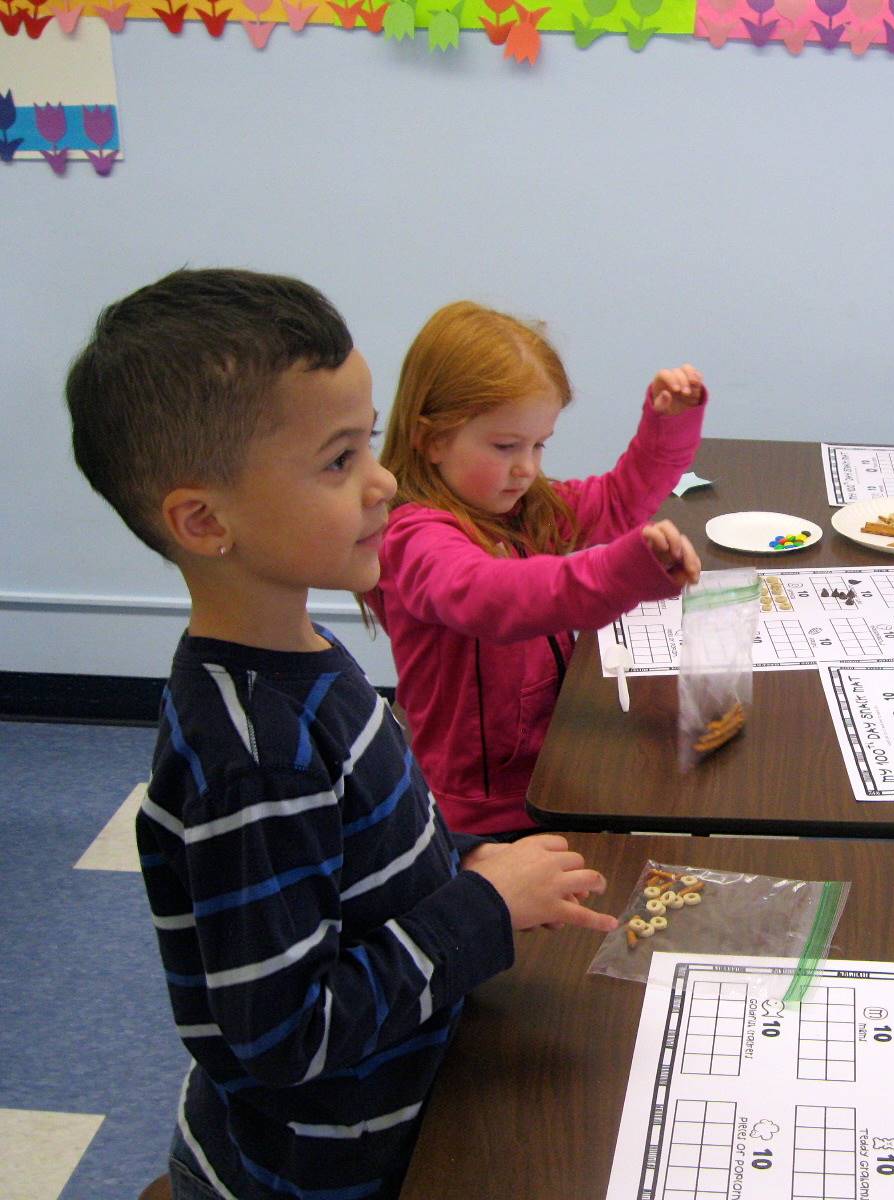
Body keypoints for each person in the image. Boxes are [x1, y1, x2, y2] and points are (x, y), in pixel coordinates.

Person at [65, 268, 618, 1200]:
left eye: (367, 445)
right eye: (337, 462)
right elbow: (289, 1036)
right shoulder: (253, 760)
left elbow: (368, 862)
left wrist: (477, 866)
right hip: (330, 1171)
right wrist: (479, 910)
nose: (384, 481)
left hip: (408, 1081)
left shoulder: (303, 652)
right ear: (205, 521)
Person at [365, 301, 705, 837]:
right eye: (505, 446)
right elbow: (491, 596)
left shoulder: (519, 506)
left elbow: (617, 502)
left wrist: (669, 426)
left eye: (539, 444)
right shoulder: (414, 538)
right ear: (430, 439)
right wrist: (622, 571)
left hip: (550, 763)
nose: (527, 467)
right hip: (482, 809)